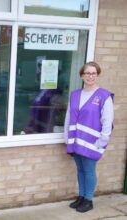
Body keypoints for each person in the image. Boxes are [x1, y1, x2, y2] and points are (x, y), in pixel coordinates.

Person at [64, 61, 114, 213]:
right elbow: (68, 116)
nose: (90, 76)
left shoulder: (104, 96)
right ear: (82, 75)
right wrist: (67, 137)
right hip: (76, 141)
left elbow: (107, 120)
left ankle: (88, 199)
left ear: (97, 75)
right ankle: (81, 196)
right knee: (80, 169)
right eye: (87, 73)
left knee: (89, 170)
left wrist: (102, 141)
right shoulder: (75, 94)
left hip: (93, 142)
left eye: (93, 73)